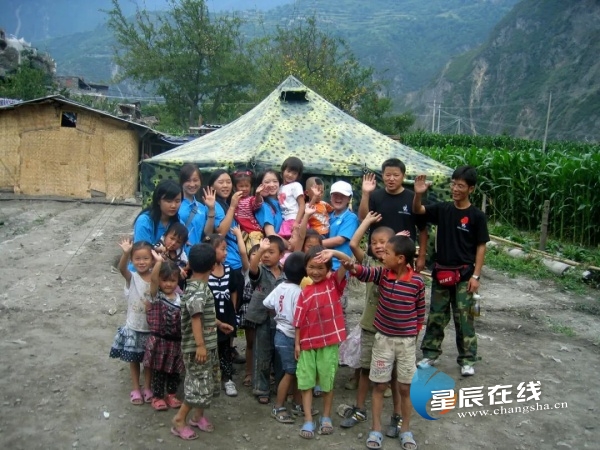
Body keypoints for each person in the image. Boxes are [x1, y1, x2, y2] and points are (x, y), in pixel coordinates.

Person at [346, 235, 425, 450]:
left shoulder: (417, 282)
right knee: (380, 385)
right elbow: (365, 273)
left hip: (406, 343)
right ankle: (376, 429)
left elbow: (420, 312)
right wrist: (353, 267)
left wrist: (413, 335)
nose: (382, 256)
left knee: (405, 388)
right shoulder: (383, 274)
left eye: (387, 253)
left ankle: (405, 429)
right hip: (383, 341)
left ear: (400, 258)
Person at [413, 165, 490, 376]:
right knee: (436, 315)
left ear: (471, 189)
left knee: (464, 318)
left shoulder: (476, 216)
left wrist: (476, 276)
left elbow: (481, 246)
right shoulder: (443, 209)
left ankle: (467, 359)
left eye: (461, 186)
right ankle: (430, 354)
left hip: (465, 276)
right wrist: (418, 195)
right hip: (442, 273)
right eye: (453, 184)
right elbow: (419, 210)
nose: (455, 189)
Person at [340, 212, 399, 434]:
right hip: (369, 325)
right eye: (374, 242)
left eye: (383, 242)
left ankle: (397, 415)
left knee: (394, 375)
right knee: (365, 369)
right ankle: (359, 409)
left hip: (392, 330)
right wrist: (366, 222)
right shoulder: (370, 263)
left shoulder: (400, 267)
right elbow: (353, 244)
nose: (378, 246)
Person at [171, 243, 234, 440]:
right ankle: (179, 420)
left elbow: (202, 315)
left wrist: (218, 324)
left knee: (206, 381)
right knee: (197, 383)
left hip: (206, 345)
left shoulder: (198, 287)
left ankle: (198, 416)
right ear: (212, 266)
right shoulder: (198, 290)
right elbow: (196, 317)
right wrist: (200, 345)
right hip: (198, 348)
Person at [293, 246, 351, 439]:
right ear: (305, 268)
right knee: (306, 382)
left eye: (320, 268)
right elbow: (298, 321)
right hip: (307, 344)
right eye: (311, 267)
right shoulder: (304, 292)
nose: (315, 272)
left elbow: (348, 262)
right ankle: (308, 419)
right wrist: (297, 344)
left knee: (327, 381)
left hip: (329, 343)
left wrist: (333, 253)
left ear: (328, 269)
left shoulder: (334, 283)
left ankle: (326, 417)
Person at [358, 158, 428, 272]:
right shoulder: (375, 196)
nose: (391, 179)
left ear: (403, 176)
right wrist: (366, 194)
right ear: (382, 175)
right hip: (378, 257)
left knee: (402, 283)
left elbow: (423, 229)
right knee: (375, 283)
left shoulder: (413, 198)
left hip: (403, 257)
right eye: (388, 175)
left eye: (396, 175)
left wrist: (422, 256)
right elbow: (362, 219)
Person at [109, 238, 154, 405]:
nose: (141, 262)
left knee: (149, 361)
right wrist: (126, 253)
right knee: (134, 360)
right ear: (132, 261)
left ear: (152, 260)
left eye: (146, 258)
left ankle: (147, 387)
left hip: (151, 328)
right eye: (137, 258)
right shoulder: (132, 278)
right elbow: (122, 269)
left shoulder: (156, 278)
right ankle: (136, 388)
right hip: (134, 327)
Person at [262, 251, 306, 424]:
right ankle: (278, 406)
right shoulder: (299, 292)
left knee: (296, 371)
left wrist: (279, 314)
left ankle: (297, 404)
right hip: (291, 337)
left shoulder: (281, 286)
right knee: (290, 372)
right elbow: (299, 320)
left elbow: (267, 303)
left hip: (280, 332)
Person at [245, 235, 286, 405]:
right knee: (261, 354)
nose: (266, 255)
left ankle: (280, 386)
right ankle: (261, 388)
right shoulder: (261, 270)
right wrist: (260, 250)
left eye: (271, 252)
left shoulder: (285, 273)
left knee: (280, 355)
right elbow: (252, 268)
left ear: (281, 254)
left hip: (281, 322)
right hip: (262, 319)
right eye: (264, 252)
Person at [143, 256, 184, 411]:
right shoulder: (156, 296)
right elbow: (153, 279)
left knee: (174, 370)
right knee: (158, 370)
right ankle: (158, 397)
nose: (168, 284)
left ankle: (171, 394)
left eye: (172, 280)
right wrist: (159, 262)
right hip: (159, 340)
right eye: (165, 280)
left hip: (176, 341)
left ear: (178, 281)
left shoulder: (181, 298)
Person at [204, 234, 238, 397]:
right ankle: (210, 378)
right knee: (211, 348)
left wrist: (233, 311)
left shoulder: (229, 270)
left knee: (225, 348)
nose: (226, 253)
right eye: (223, 249)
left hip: (226, 316)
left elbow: (233, 291)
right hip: (210, 318)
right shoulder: (204, 273)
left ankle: (228, 378)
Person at [208, 170, 245, 314]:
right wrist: (233, 206)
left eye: (228, 182)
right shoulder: (216, 206)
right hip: (227, 263)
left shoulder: (225, 204)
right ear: (212, 186)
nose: (225, 185)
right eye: (221, 182)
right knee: (227, 310)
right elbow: (221, 233)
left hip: (235, 261)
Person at [178, 163, 216, 250]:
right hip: (179, 253)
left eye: (195, 180)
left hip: (196, 254)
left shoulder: (202, 207)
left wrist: (211, 209)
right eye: (188, 180)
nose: (192, 184)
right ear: (182, 182)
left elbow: (208, 233)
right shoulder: (176, 205)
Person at [133, 179, 182, 246]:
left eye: (177, 201)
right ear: (158, 201)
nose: (173, 205)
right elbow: (141, 250)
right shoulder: (144, 222)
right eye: (169, 201)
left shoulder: (179, 222)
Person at [232, 169, 265, 252]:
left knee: (255, 251)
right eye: (241, 186)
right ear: (235, 188)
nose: (244, 188)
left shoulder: (250, 199)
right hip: (243, 232)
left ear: (251, 187)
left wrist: (258, 194)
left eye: (247, 186)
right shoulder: (234, 200)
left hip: (254, 232)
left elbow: (257, 203)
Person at [278, 156, 305, 239]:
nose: (290, 175)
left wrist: (296, 222)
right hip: (285, 220)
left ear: (298, 176)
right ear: (283, 170)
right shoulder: (280, 187)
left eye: (294, 173)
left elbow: (302, 205)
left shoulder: (296, 186)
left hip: (293, 218)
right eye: (288, 171)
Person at [255, 169, 284, 237]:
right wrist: (289, 243)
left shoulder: (284, 202)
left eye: (275, 181)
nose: (272, 185)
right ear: (260, 185)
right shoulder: (263, 206)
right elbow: (271, 235)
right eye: (267, 182)